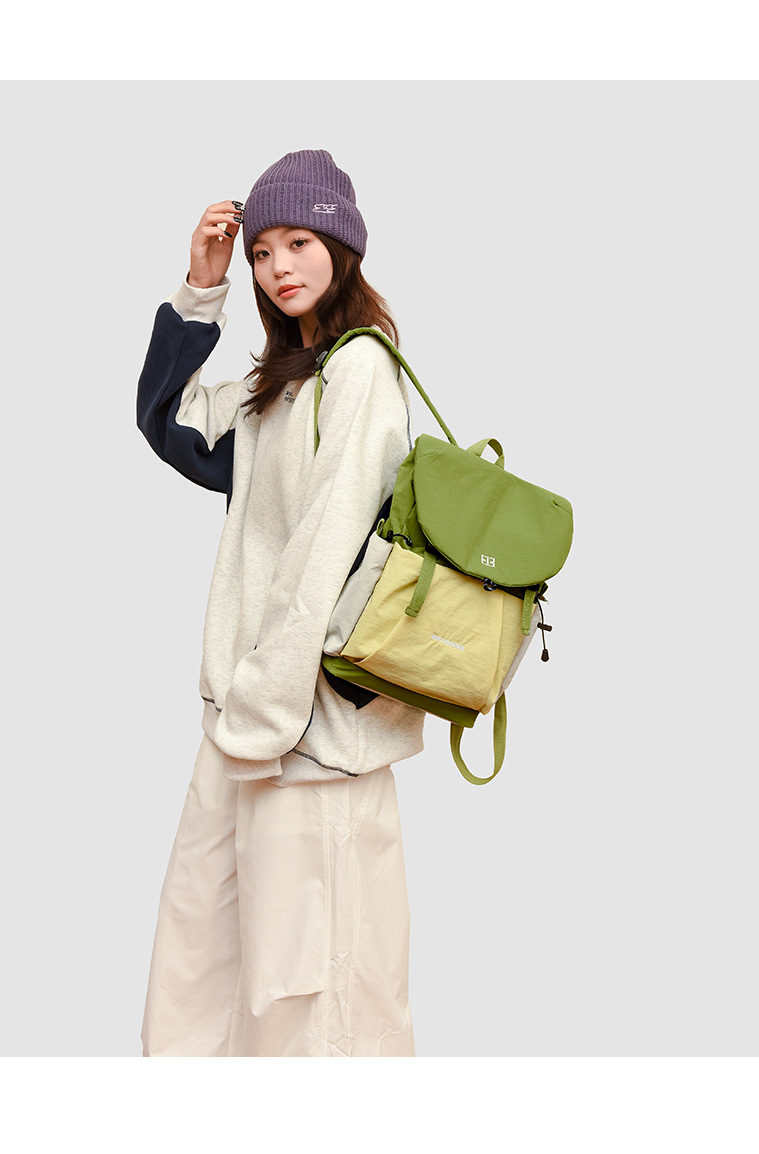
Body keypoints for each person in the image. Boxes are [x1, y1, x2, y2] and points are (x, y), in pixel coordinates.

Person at [136, 149, 425, 1057]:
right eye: (262, 251)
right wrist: (201, 289)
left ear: (341, 244)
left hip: (308, 735)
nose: (277, 267)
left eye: (298, 242)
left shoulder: (361, 372)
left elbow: (324, 557)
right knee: (201, 972)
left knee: (309, 998)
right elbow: (170, 421)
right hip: (246, 726)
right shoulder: (282, 383)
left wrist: (270, 709)